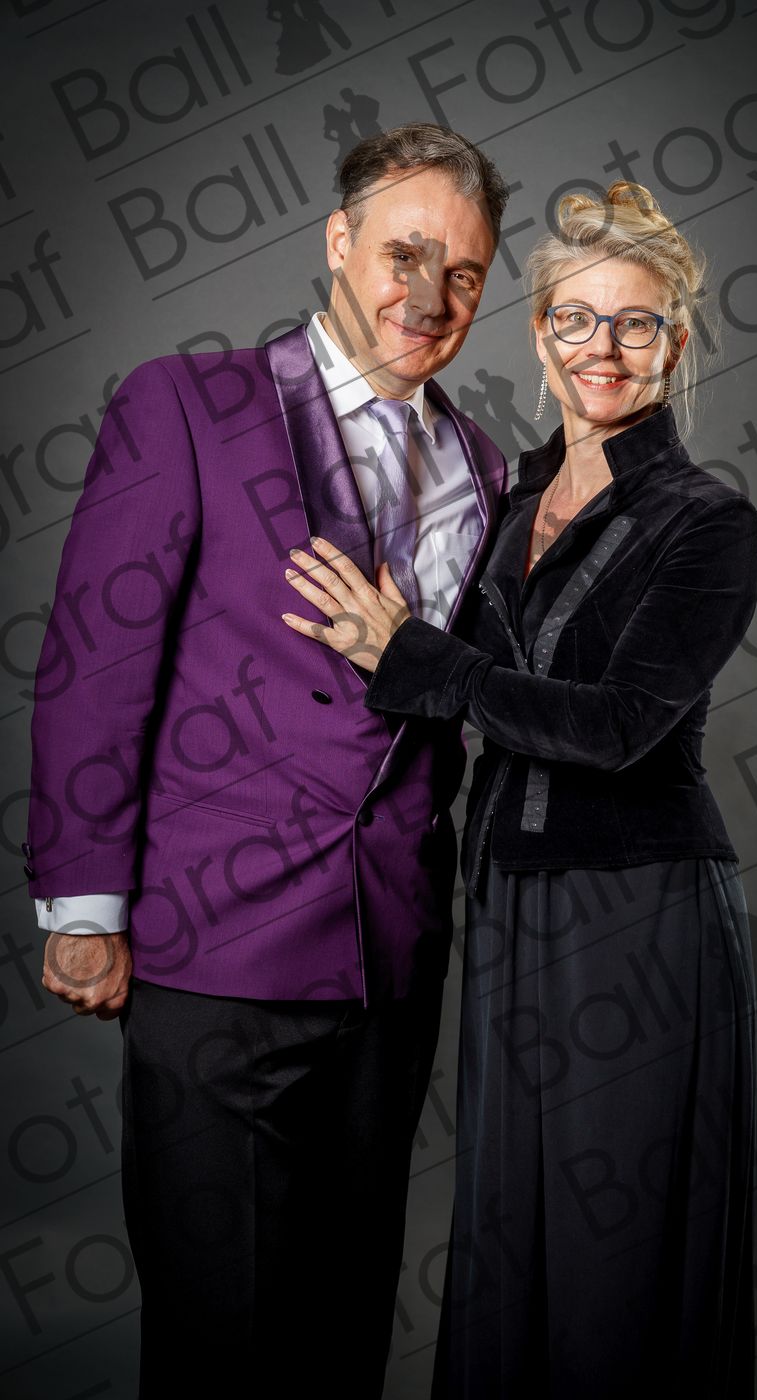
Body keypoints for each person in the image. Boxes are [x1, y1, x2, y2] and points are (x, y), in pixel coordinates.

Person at [25, 124, 510, 1397]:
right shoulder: (187, 404)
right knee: (220, 1333)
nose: (430, 295)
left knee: (345, 1322)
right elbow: (95, 663)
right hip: (214, 945)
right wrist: (84, 906)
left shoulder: (483, 462)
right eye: (404, 254)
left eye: (464, 272)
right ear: (340, 242)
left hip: (391, 957)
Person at [281, 180, 757, 1399]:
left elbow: (616, 728)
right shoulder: (504, 495)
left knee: (613, 1249)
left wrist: (416, 656)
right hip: (504, 895)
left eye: (636, 323)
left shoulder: (709, 520)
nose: (605, 347)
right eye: (577, 318)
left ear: (675, 342)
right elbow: (448, 683)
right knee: (512, 1228)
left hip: (637, 907)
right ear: (542, 332)